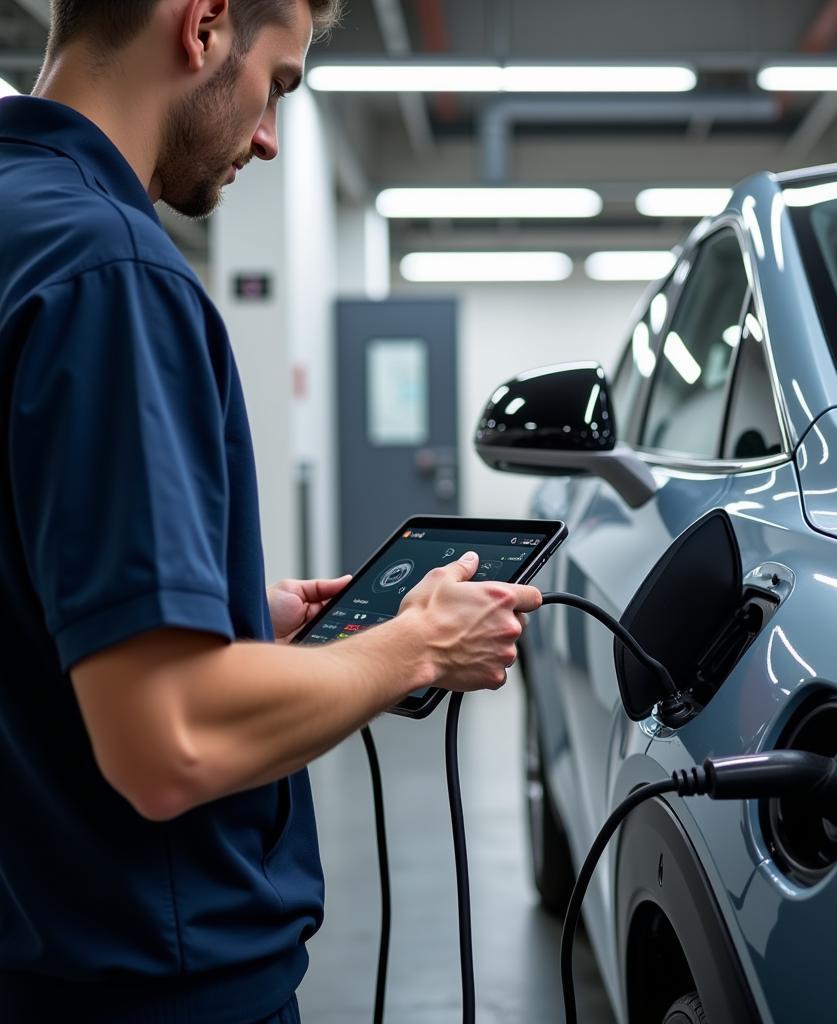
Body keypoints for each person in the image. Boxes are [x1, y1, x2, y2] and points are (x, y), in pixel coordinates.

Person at [0, 2, 542, 1022]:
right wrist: (415, 646)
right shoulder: (111, 272)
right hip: (144, 980)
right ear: (202, 26)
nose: (267, 135)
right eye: (278, 84)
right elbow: (169, 744)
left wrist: (225, 615)